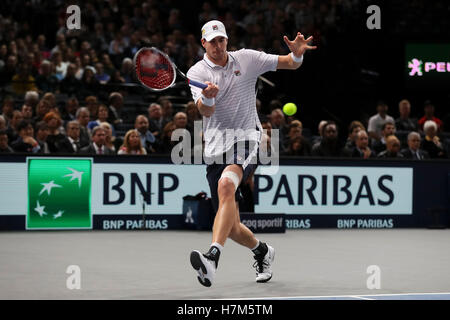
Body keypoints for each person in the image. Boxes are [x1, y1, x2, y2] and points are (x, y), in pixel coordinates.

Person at [186, 20, 316, 287]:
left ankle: (212, 257)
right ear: (204, 44)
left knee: (225, 186)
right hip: (214, 149)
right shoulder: (197, 72)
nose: (218, 45)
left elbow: (289, 63)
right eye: (213, 41)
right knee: (231, 226)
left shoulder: (247, 59)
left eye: (221, 40)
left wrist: (297, 54)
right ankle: (262, 251)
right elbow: (204, 111)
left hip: (247, 138)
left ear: (227, 40)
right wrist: (208, 96)